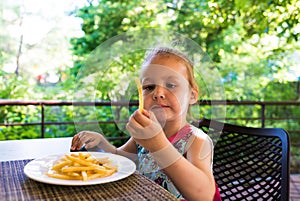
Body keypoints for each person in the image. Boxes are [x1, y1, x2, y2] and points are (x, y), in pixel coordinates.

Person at [71, 47, 221, 201]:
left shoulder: (195, 139)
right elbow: (120, 159)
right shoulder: (143, 135)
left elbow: (204, 196)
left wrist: (158, 144)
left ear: (192, 95)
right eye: (149, 87)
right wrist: (101, 143)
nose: (158, 93)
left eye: (171, 85)